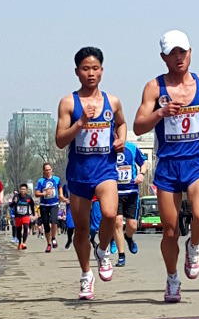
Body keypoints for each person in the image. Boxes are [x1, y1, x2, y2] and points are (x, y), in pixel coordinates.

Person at [132, 31, 199, 303]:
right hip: (168, 166)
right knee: (170, 230)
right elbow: (138, 126)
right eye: (172, 53)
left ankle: (193, 246)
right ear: (163, 57)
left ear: (190, 52)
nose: (179, 57)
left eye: (182, 51)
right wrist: (160, 113)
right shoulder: (154, 88)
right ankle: (172, 278)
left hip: (196, 163)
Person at [55, 46, 126, 300]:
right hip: (79, 174)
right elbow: (60, 141)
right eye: (86, 69)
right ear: (77, 72)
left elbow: (121, 123)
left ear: (102, 71)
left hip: (105, 169)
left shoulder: (112, 101)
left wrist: (121, 139)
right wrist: (80, 124)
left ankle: (103, 251)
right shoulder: (68, 102)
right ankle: (86, 275)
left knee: (109, 214)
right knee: (82, 230)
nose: (91, 73)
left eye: (95, 68)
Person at [112, 140, 148, 268]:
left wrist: (141, 174)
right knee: (117, 221)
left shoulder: (132, 147)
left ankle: (128, 237)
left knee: (132, 225)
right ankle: (121, 255)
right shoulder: (107, 147)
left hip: (131, 191)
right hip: (114, 192)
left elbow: (143, 163)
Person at [34, 163, 62, 253]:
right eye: (46, 170)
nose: (48, 171)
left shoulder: (56, 179)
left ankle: (53, 237)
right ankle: (49, 244)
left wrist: (60, 195)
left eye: (49, 169)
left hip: (54, 203)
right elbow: (36, 193)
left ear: (51, 170)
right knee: (46, 224)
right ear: (43, 171)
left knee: (54, 220)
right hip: (44, 205)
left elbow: (59, 187)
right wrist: (44, 194)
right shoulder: (41, 181)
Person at [9, 184, 36, 251]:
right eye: (21, 189)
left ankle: (24, 243)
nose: (22, 190)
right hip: (18, 216)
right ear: (19, 190)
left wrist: (33, 214)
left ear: (26, 190)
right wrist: (14, 202)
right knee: (18, 230)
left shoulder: (28, 197)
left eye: (24, 189)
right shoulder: (16, 196)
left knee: (26, 228)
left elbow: (32, 206)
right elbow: (11, 205)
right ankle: (20, 243)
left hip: (26, 215)